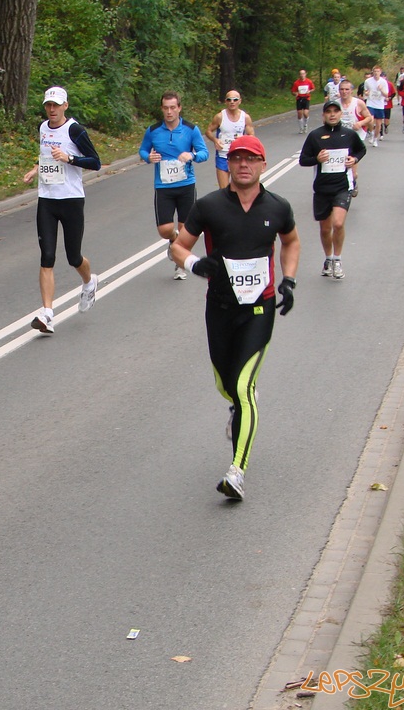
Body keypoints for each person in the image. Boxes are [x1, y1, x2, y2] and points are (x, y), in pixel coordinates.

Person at [169, 135, 300, 501]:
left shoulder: (278, 207)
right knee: (226, 384)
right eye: (236, 159)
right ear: (228, 165)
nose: (243, 165)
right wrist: (195, 264)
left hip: (260, 309)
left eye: (251, 159)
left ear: (262, 165)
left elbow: (291, 241)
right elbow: (178, 247)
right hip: (220, 309)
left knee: (244, 389)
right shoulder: (209, 206)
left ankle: (236, 471)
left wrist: (288, 280)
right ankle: (237, 405)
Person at [22, 86, 101, 330]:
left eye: (56, 105)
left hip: (71, 199)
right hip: (47, 199)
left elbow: (95, 162)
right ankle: (47, 313)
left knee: (73, 256)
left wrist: (70, 159)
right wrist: (36, 168)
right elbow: (45, 153)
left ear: (65, 106)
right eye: (48, 105)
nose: (52, 109)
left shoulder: (75, 130)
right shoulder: (43, 127)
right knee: (47, 256)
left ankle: (89, 282)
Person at [139, 91, 209, 280]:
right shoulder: (153, 131)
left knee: (186, 229)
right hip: (163, 187)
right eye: (166, 108)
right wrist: (148, 157)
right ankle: (172, 239)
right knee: (164, 229)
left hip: (186, 185)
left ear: (179, 108)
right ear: (162, 109)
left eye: (173, 107)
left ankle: (180, 266)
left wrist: (192, 155)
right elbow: (143, 150)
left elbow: (204, 152)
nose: (169, 112)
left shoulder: (190, 129)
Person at [299, 100, 367, 279]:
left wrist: (354, 160)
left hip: (342, 187)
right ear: (323, 115)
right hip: (321, 188)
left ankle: (337, 259)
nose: (332, 114)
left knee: (338, 223)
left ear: (340, 114)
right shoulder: (315, 136)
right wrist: (317, 159)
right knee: (325, 228)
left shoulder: (349, 134)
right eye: (328, 111)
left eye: (335, 111)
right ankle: (328, 258)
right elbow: (303, 160)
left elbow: (361, 150)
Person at [206, 89, 255, 188]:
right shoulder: (219, 117)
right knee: (223, 190)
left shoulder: (245, 117)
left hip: (238, 156)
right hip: (223, 155)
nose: (232, 102)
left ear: (240, 101)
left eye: (235, 99)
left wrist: (243, 141)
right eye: (229, 100)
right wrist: (215, 140)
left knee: (238, 188)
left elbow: (251, 136)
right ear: (225, 101)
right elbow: (208, 131)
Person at [336, 80, 373, 197]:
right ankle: (342, 190)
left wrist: (360, 123)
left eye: (347, 89)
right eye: (341, 89)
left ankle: (353, 181)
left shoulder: (358, 103)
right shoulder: (335, 104)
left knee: (352, 170)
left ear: (351, 91)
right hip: (340, 138)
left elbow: (369, 118)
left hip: (355, 138)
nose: (344, 92)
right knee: (340, 166)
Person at [362, 66, 389, 145]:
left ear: (380, 72)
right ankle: (371, 132)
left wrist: (381, 89)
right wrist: (366, 93)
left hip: (380, 105)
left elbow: (386, 95)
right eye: (375, 71)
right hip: (370, 103)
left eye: (378, 71)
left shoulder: (383, 82)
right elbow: (365, 92)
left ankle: (375, 139)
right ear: (372, 72)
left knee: (378, 124)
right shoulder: (368, 81)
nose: (376, 73)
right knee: (370, 119)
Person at [291, 69, 316, 134]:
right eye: (301, 74)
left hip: (306, 98)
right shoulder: (296, 83)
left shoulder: (309, 81)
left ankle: (305, 125)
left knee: (305, 113)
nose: (302, 75)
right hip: (299, 98)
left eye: (303, 74)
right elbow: (293, 91)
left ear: (305, 74)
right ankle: (301, 128)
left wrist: (309, 91)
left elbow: (313, 88)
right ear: (299, 75)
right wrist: (295, 93)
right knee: (299, 114)